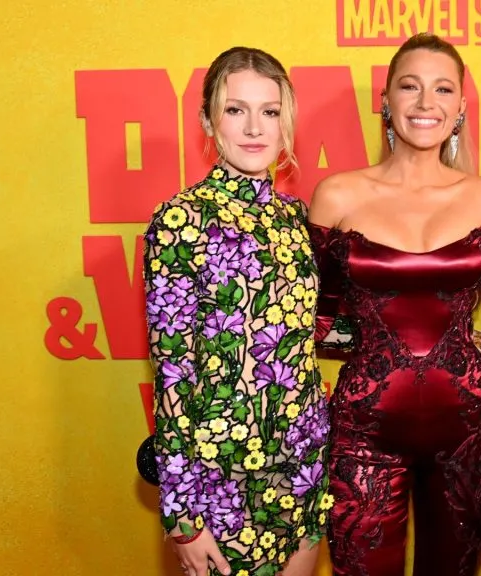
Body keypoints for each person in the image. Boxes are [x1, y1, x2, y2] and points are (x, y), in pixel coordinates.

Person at [307, 33, 481, 576]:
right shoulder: (338, 196)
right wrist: (376, 348)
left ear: (460, 109)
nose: (426, 103)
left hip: (467, 435)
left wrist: (474, 348)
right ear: (385, 100)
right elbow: (315, 320)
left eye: (442, 89)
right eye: (411, 86)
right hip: (363, 434)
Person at [142, 47, 329, 576]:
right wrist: (182, 516)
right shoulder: (180, 220)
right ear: (208, 120)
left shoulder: (294, 218)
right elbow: (173, 373)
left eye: (270, 112)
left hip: (302, 468)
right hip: (221, 485)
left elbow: (300, 336)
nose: (255, 128)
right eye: (235, 109)